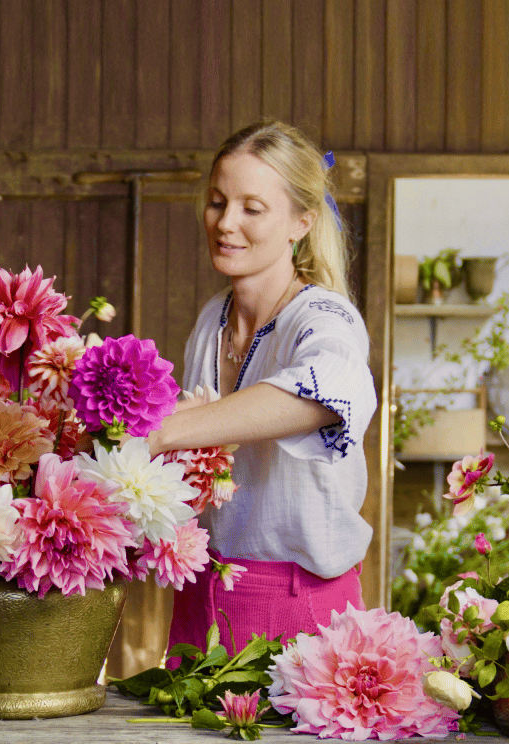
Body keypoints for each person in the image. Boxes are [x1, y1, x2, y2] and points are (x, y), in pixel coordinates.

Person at [146, 120, 377, 657]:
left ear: (301, 221)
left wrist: (162, 433)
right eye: (217, 201)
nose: (226, 223)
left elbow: (329, 392)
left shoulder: (324, 318)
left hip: (298, 605)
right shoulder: (212, 319)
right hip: (198, 596)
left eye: (253, 208)